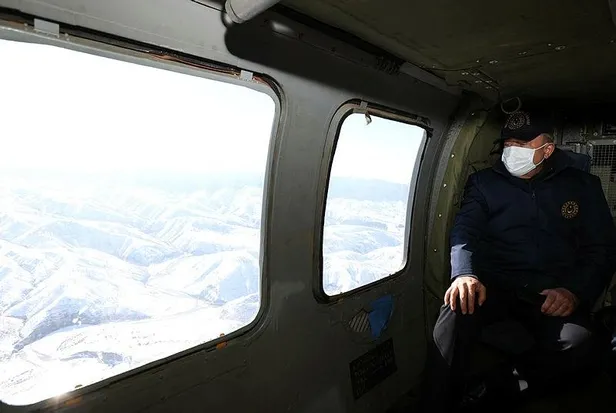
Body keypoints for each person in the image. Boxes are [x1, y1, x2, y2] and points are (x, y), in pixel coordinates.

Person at [424, 108, 616, 412]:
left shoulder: (582, 186)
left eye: (523, 144)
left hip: (550, 293)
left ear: (547, 150)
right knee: (456, 306)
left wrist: (574, 291)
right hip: (494, 287)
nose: (512, 150)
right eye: (508, 143)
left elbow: (602, 248)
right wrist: (464, 274)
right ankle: (436, 403)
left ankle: (491, 388)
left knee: (583, 345)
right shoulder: (484, 183)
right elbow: (465, 231)